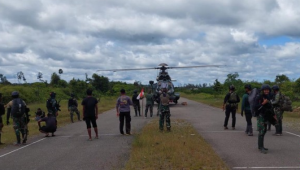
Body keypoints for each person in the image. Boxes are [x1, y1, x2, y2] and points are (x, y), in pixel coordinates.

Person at [256, 84, 277, 154]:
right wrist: (263, 103)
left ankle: (261, 146)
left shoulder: (268, 97)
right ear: (262, 90)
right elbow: (256, 107)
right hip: (261, 116)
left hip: (266, 115)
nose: (266, 91)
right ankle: (261, 147)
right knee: (262, 131)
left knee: (264, 130)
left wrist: (274, 115)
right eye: (265, 90)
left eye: (267, 90)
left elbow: (270, 107)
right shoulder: (259, 97)